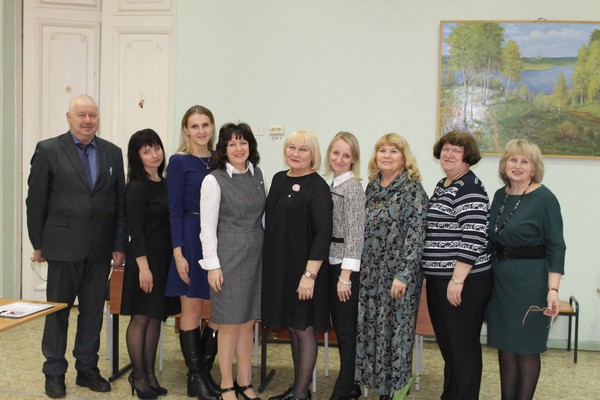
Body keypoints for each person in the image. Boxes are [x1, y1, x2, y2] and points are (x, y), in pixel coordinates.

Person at [26, 94, 127, 399]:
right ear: (68, 117)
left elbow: (119, 204)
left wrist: (119, 244)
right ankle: (54, 371)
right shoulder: (48, 150)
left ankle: (87, 369)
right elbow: (36, 201)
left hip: (100, 248)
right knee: (58, 312)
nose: (87, 120)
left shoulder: (112, 153)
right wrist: (38, 243)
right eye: (81, 114)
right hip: (62, 246)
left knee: (93, 312)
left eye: (92, 115)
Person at [486, 139, 566, 400]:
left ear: (534, 168)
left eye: (525, 161)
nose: (518, 165)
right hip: (500, 284)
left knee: (526, 349)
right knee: (505, 347)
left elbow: (556, 246)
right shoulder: (500, 195)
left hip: (531, 284)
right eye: (513, 159)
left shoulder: (545, 198)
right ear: (504, 164)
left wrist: (553, 290)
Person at [355, 133, 428, 400]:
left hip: (399, 277)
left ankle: (397, 390)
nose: (386, 155)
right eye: (382, 150)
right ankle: (379, 385)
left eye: (393, 151)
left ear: (404, 158)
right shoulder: (372, 187)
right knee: (374, 332)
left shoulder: (412, 189)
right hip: (371, 274)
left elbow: (416, 236)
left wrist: (404, 274)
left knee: (397, 334)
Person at [421, 130, 492, 400]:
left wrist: (457, 279)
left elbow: (474, 237)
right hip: (442, 280)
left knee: (463, 349)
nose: (449, 154)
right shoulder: (444, 184)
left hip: (464, 281)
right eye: (446, 149)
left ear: (467, 157)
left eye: (456, 150)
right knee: (450, 348)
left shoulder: (469, 187)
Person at [262, 130, 333, 400]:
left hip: (306, 270)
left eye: (303, 149)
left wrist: (309, 275)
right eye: (291, 147)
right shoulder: (279, 179)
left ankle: (301, 393)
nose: (295, 153)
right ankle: (297, 388)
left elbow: (323, 233)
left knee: (304, 328)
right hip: (281, 268)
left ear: (313, 155)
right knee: (292, 327)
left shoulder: (318, 187)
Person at [199, 123, 266, 400]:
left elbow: (263, 218)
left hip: (256, 256)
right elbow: (206, 228)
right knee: (228, 323)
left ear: (250, 146)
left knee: (248, 323)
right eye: (232, 144)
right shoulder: (213, 180)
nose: (239, 149)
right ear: (223, 149)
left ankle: (244, 382)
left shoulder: (257, 174)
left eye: (243, 142)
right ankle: (226, 383)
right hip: (228, 257)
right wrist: (212, 266)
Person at [164, 105, 219, 400]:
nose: (201, 131)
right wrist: (178, 253)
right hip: (189, 236)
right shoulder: (178, 162)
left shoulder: (220, 159)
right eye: (194, 126)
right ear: (186, 130)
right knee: (192, 309)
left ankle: (201, 374)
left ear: (212, 127)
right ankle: (196, 377)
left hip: (217, 238)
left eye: (205, 124)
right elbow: (173, 210)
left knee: (219, 311)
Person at [121, 129, 174, 399]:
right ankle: (139, 376)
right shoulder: (136, 187)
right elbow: (136, 231)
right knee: (141, 317)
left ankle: (150, 374)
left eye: (156, 148)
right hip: (145, 260)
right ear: (137, 156)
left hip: (164, 260)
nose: (154, 155)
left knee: (155, 317)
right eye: (146, 151)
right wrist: (143, 267)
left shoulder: (165, 183)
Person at [324, 132, 365, 400]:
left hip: (344, 269)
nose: (339, 159)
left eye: (346, 155)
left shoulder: (352, 188)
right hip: (331, 262)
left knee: (347, 330)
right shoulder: (331, 184)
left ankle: (345, 388)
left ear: (353, 160)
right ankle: (351, 384)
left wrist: (345, 277)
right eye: (336, 153)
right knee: (340, 328)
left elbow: (355, 234)